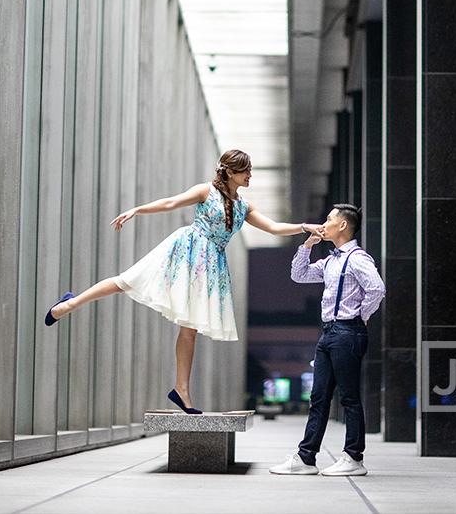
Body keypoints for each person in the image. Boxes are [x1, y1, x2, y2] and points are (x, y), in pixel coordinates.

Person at [45, 149, 322, 414]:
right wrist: (137, 210)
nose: (250, 174)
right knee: (128, 281)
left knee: (189, 329)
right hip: (187, 250)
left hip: (211, 264)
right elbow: (170, 202)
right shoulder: (206, 190)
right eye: (245, 170)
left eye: (249, 170)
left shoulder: (244, 206)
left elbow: (273, 228)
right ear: (228, 171)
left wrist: (303, 227)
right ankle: (72, 303)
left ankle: (181, 389)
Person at [270, 204, 385, 477]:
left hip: (348, 332)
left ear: (343, 225)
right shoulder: (332, 261)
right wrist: (308, 243)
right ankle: (306, 458)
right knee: (318, 398)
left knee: (349, 398)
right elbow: (299, 275)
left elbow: (376, 288)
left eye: (329, 219)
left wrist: (362, 315)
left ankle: (354, 457)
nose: (325, 222)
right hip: (329, 334)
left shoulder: (357, 258)